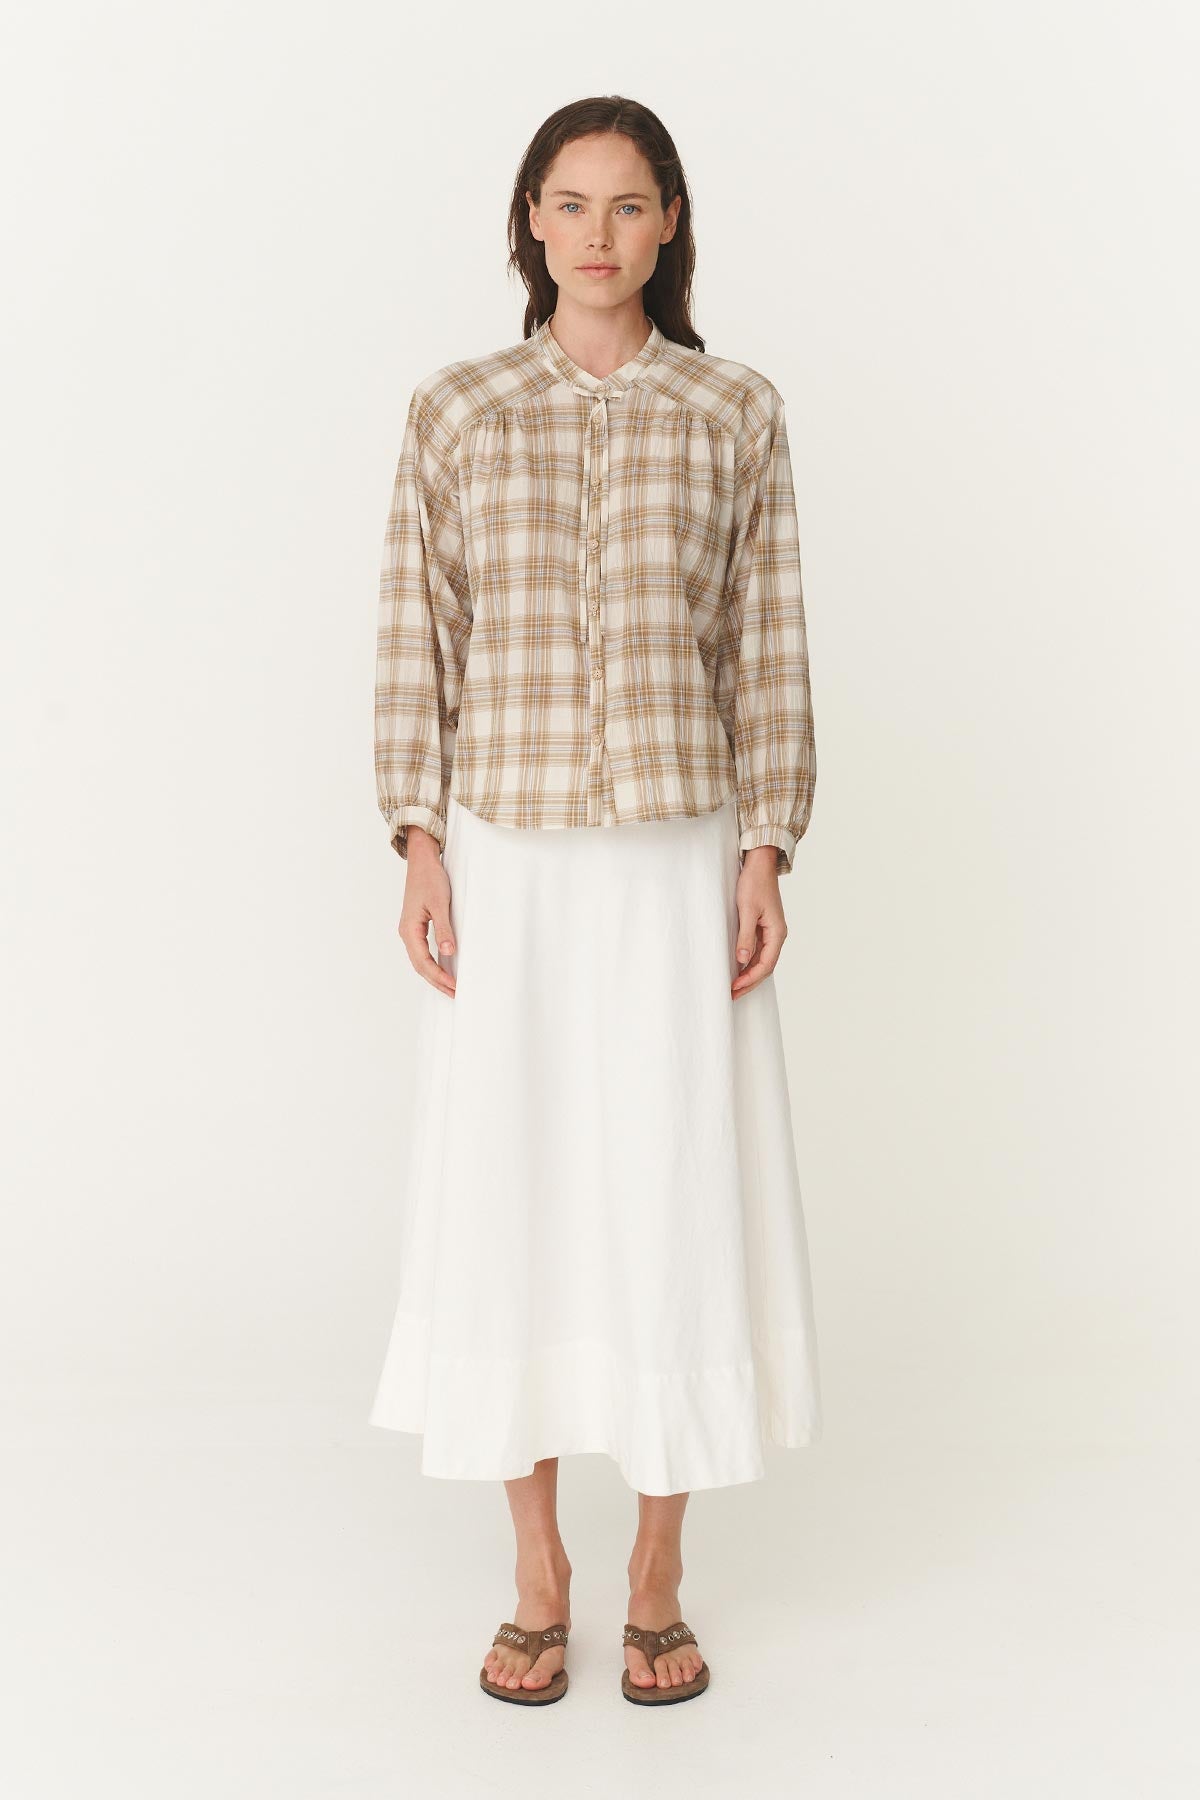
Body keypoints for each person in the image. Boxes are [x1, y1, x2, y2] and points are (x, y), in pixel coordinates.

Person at [369, 94, 822, 1709]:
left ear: (670, 221)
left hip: (675, 856)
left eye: (628, 206)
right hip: (509, 852)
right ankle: (536, 1571)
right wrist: (420, 840)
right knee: (514, 1182)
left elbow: (765, 639)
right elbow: (416, 626)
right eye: (569, 205)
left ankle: (658, 1571)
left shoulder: (735, 409)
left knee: (672, 1185)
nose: (598, 236)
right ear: (530, 223)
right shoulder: (458, 408)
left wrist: (764, 846)